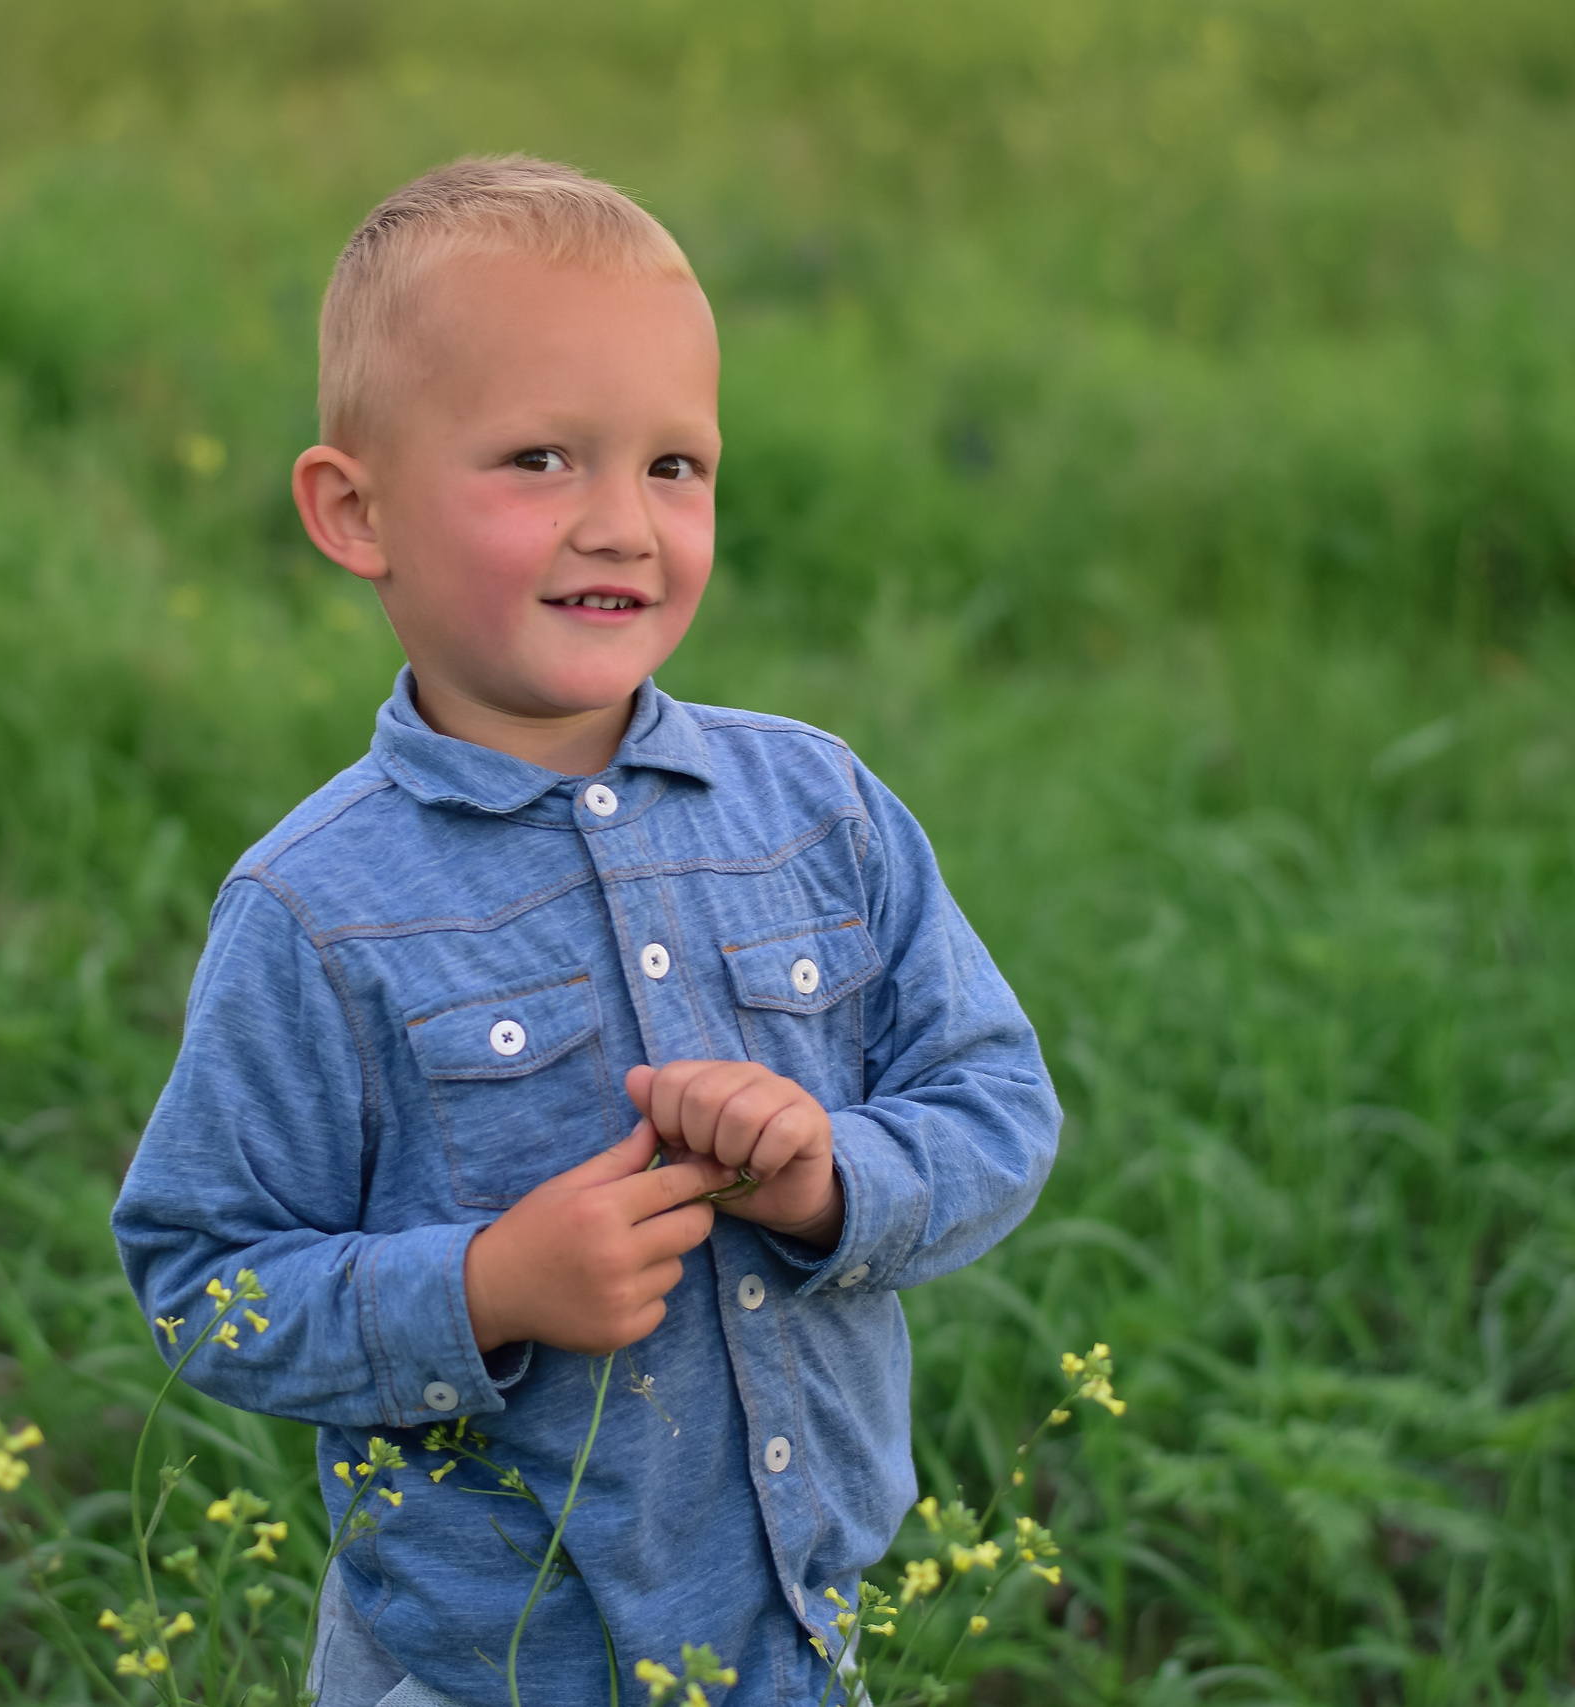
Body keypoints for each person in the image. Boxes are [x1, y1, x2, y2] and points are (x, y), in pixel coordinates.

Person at [112, 155, 1059, 1707]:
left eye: (674, 465)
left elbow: (997, 1104)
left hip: (805, 1637)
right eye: (541, 459)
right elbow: (198, 1275)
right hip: (484, 1665)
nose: (623, 524)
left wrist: (830, 1178)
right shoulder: (316, 908)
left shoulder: (818, 807)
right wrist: (483, 1288)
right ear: (356, 511)